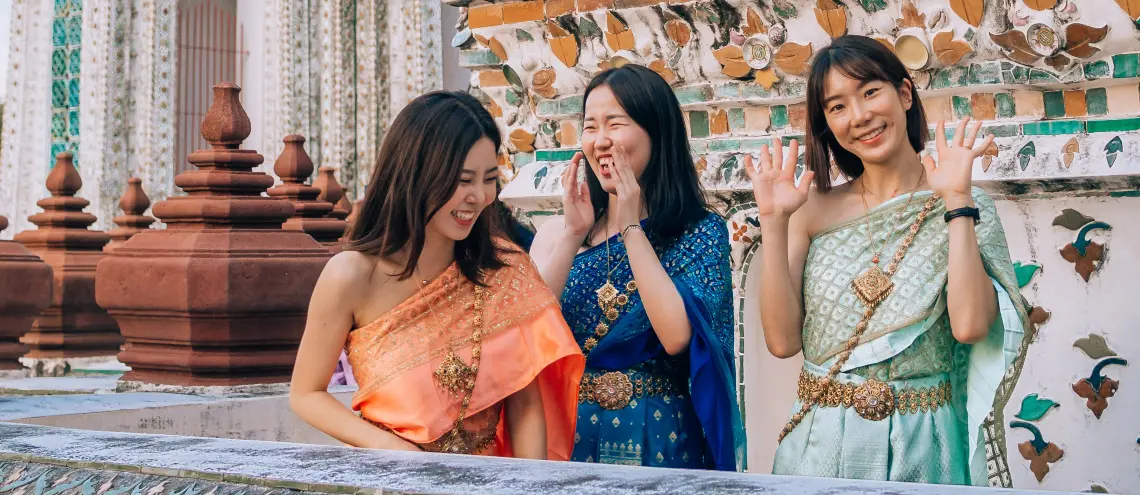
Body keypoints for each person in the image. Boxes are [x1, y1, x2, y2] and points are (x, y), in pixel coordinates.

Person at [750, 35, 1030, 485]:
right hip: (822, 442)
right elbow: (782, 342)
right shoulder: (809, 209)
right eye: (837, 107)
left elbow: (970, 326)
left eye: (869, 92)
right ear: (826, 124)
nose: (859, 117)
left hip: (924, 442)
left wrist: (956, 202)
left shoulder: (963, 201)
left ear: (904, 94)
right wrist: (774, 221)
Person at [290, 90, 584, 459]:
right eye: (462, 180)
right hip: (394, 479)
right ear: (415, 173)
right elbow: (306, 393)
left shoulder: (504, 269)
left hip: (487, 483)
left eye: (489, 178)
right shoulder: (350, 276)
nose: (478, 196)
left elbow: (525, 405)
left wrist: (528, 487)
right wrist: (391, 449)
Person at [530, 64, 745, 471]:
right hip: (568, 436)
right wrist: (573, 236)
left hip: (658, 437)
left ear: (656, 133)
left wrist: (631, 227)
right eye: (590, 126)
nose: (601, 141)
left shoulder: (698, 232)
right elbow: (527, 335)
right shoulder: (560, 231)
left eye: (616, 123)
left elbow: (676, 337)